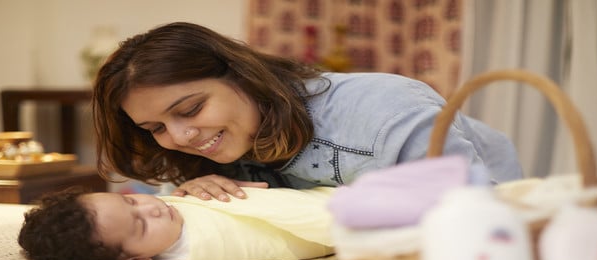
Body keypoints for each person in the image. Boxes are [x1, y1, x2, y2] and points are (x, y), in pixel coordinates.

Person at [92, 22, 523, 202]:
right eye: (155, 128)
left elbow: (474, 208)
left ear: (241, 75)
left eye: (190, 109)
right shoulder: (201, 151)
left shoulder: (385, 113)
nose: (180, 136)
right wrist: (193, 197)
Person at [17, 187, 335, 260]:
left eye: (129, 202)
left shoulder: (166, 214)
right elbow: (283, 227)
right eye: (140, 226)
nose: (151, 208)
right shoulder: (200, 245)